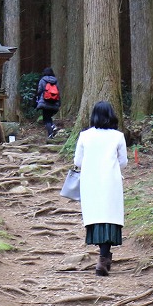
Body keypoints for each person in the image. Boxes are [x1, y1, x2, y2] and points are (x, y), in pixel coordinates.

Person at [74, 101, 128, 276]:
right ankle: (104, 258)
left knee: (96, 215)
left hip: (90, 180)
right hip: (111, 181)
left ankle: (103, 258)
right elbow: (123, 162)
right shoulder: (118, 136)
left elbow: (78, 162)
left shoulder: (84, 136)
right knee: (110, 216)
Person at [36, 67, 61, 138]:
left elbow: (39, 90)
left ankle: (50, 133)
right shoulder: (55, 81)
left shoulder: (42, 80)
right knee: (49, 117)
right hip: (54, 102)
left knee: (46, 119)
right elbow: (58, 92)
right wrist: (59, 103)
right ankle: (52, 127)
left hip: (45, 102)